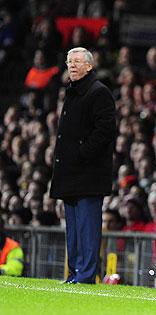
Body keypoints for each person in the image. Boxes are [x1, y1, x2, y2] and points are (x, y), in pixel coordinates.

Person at [50, 47, 116, 284]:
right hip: (72, 173)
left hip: (88, 173)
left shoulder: (98, 92)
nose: (72, 65)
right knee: (74, 231)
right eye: (69, 62)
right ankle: (75, 273)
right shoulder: (73, 92)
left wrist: (82, 153)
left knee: (87, 229)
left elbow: (105, 130)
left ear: (89, 66)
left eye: (77, 61)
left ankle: (86, 275)